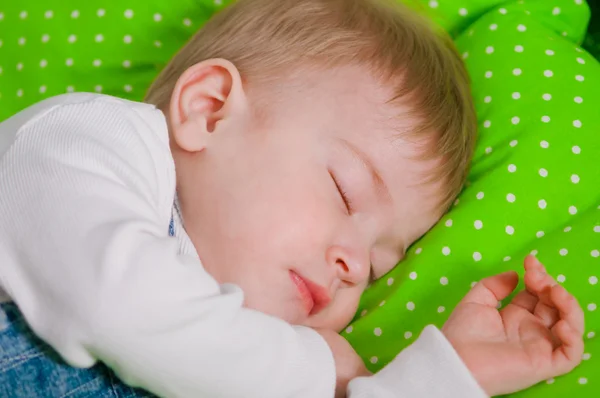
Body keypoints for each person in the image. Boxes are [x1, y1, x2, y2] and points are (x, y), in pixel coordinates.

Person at [0, 0, 584, 397]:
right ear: (208, 110)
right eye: (345, 192)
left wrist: (447, 375)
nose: (355, 266)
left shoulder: (233, 354)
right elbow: (113, 304)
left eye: (381, 263)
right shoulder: (83, 141)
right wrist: (322, 374)